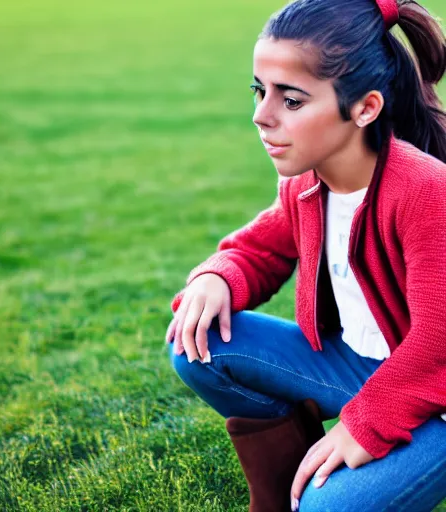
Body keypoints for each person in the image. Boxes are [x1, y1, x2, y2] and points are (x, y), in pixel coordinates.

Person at [165, 0, 446, 510]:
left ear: (364, 108)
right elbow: (260, 247)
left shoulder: (426, 192)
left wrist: (364, 424)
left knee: (326, 509)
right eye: (259, 91)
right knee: (197, 342)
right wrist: (218, 278)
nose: (261, 116)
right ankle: (277, 494)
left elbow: (439, 341)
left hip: (438, 392)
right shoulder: (304, 183)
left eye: (291, 101)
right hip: (359, 364)